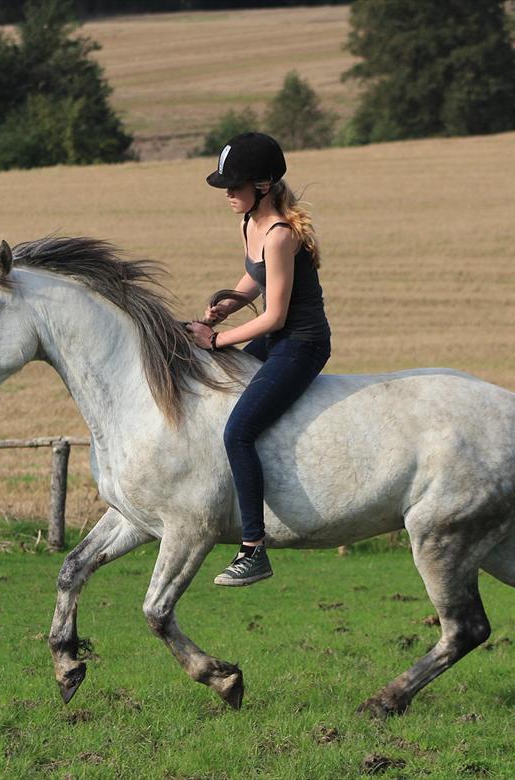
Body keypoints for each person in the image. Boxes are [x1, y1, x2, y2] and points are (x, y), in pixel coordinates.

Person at [186, 132, 332, 587]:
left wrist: (217, 340)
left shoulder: (280, 235)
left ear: (264, 186)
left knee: (239, 429)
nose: (228, 194)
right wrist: (229, 302)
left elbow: (274, 317)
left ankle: (253, 549)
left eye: (236, 186)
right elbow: (256, 279)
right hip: (277, 338)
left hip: (300, 343)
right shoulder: (250, 224)